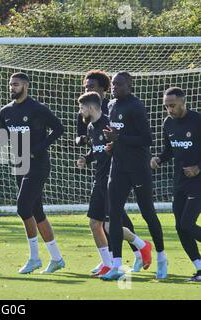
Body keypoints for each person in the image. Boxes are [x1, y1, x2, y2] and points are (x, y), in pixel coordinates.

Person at [76, 92, 152, 277]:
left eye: (82, 108)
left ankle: (142, 246)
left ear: (92, 107)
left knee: (111, 226)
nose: (80, 112)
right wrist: (86, 159)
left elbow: (124, 145)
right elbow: (97, 151)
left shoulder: (110, 125)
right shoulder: (92, 128)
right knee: (95, 224)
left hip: (113, 180)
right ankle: (107, 263)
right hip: (98, 181)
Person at [101, 72, 167, 280]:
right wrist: (111, 144)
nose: (114, 87)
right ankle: (116, 265)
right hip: (118, 166)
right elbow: (118, 136)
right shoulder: (111, 105)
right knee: (115, 214)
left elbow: (146, 138)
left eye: (118, 84)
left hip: (138, 168)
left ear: (129, 85)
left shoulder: (136, 106)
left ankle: (162, 258)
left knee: (148, 213)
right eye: (112, 84)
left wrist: (119, 137)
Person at [0, 72, 65, 274]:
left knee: (22, 208)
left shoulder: (38, 109)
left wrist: (39, 147)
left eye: (15, 84)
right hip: (20, 164)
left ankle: (34, 258)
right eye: (10, 84)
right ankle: (57, 258)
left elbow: (59, 129)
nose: (12, 88)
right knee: (37, 212)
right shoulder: (6, 111)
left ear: (25, 86)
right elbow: (4, 135)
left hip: (38, 164)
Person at [151, 87, 201, 282]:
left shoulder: (197, 120)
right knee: (180, 226)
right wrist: (158, 159)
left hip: (198, 181)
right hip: (180, 182)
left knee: (187, 223)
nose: (169, 110)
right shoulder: (168, 123)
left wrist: (198, 167)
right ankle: (199, 267)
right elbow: (169, 150)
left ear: (183, 102)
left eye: (172, 105)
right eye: (166, 106)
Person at [75, 70, 111, 146]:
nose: (87, 89)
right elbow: (78, 137)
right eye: (86, 87)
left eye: (91, 86)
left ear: (102, 88)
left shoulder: (112, 107)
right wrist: (83, 139)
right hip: (96, 152)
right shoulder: (83, 110)